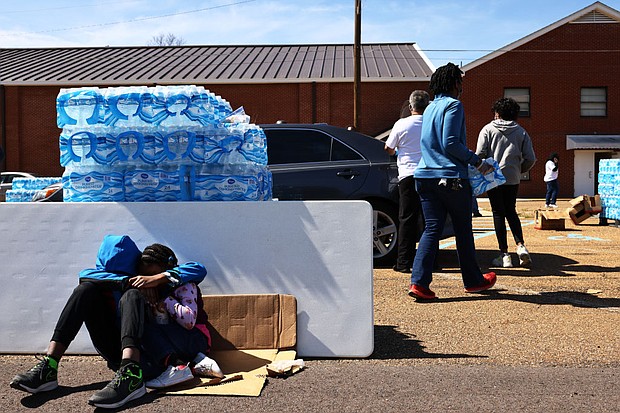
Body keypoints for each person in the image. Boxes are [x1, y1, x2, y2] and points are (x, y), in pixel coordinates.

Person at [10, 235, 207, 409]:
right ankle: (50, 365)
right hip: (113, 347)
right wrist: (125, 281)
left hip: (148, 355)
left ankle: (131, 375)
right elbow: (85, 276)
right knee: (84, 290)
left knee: (132, 295)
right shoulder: (111, 278)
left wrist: (157, 279)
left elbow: (198, 269)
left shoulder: (154, 277)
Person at [408, 62, 497, 301]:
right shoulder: (453, 105)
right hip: (450, 177)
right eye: (461, 82)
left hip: (424, 175)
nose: (461, 87)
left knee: (432, 228)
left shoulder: (429, 108)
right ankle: (473, 281)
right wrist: (478, 162)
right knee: (463, 230)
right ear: (455, 83)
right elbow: (450, 143)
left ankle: (419, 283)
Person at [476, 97, 537, 268]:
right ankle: (521, 246)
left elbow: (479, 154)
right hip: (513, 176)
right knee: (511, 210)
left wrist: (483, 169)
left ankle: (504, 254)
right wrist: (519, 170)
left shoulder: (488, 129)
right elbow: (531, 158)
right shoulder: (521, 132)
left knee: (498, 213)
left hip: (493, 177)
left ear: (497, 113)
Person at [384, 90, 430, 273]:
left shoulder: (401, 124)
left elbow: (388, 147)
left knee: (407, 219)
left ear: (411, 106)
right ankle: (430, 261)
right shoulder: (432, 123)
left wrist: (397, 152)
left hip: (408, 175)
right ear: (427, 106)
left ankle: (404, 262)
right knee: (429, 220)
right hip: (429, 174)